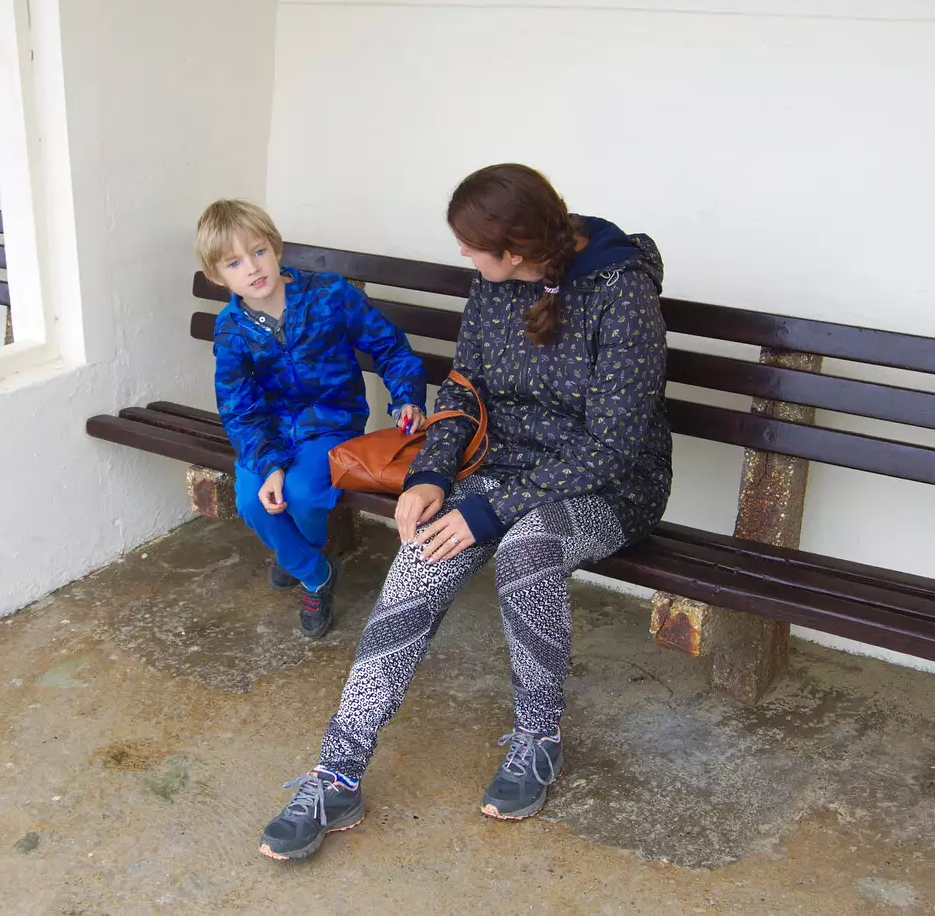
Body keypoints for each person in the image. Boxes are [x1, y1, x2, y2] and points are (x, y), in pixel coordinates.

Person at [258, 164, 674, 861]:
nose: (463, 255)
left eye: (471, 244)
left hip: (608, 489)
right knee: (422, 553)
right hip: (499, 471)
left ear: (516, 247)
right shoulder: (493, 285)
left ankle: (538, 738)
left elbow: (616, 443)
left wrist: (492, 509)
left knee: (527, 552)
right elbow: (463, 388)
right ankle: (337, 773)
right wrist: (429, 475)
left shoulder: (620, 294)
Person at [198, 199, 426, 638]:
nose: (253, 268)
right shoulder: (230, 328)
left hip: (330, 423)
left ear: (276, 248)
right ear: (217, 275)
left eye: (259, 251)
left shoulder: (330, 294)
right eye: (234, 262)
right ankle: (315, 571)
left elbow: (389, 347)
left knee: (302, 495)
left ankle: (295, 558)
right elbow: (238, 406)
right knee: (252, 501)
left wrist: (406, 398)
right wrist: (267, 465)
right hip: (266, 433)